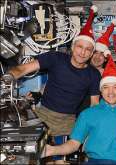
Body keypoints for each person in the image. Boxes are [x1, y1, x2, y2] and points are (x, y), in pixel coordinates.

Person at [1, 5, 100, 164]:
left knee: (61, 162)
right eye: (80, 47)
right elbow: (23, 68)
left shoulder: (93, 74)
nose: (83, 52)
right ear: (73, 46)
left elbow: (95, 105)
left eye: (88, 49)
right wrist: (8, 78)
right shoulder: (56, 58)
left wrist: (92, 130)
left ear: (91, 53)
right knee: (32, 158)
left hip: (67, 122)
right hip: (42, 115)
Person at [42, 50, 116, 165]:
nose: (111, 92)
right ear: (100, 90)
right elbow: (74, 144)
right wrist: (52, 150)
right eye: (106, 87)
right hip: (94, 161)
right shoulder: (88, 114)